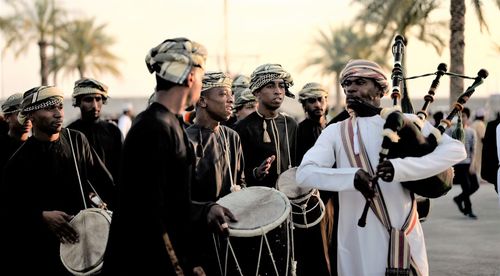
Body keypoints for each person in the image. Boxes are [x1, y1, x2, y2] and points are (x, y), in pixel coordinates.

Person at [296, 59, 466, 276]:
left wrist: (401, 168)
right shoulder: (335, 132)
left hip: (403, 231)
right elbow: (305, 173)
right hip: (355, 239)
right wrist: (352, 177)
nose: (351, 88)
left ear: (379, 89)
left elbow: (456, 151)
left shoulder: (406, 121)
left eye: (360, 82)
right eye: (346, 83)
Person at [102, 37, 235, 276]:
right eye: (202, 79)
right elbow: (150, 212)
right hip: (144, 261)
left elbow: (172, 200)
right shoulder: (154, 128)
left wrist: (206, 210)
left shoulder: (168, 123)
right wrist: (181, 264)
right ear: (190, 78)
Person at [0, 85, 115, 275]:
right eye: (49, 108)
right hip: (41, 252)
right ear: (31, 115)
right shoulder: (18, 161)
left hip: (84, 247)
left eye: (60, 107)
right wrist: (41, 216)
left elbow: (107, 185)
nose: (58, 114)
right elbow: (9, 210)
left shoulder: (76, 140)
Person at [186, 71, 246, 275]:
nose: (231, 99)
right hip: (197, 239)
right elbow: (176, 200)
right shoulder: (185, 141)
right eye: (223, 94)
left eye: (231, 94)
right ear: (202, 100)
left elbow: (240, 181)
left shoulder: (232, 137)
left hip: (231, 235)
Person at [233, 63, 297, 188]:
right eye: (270, 86)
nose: (278, 91)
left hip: (290, 198)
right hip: (258, 199)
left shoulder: (290, 124)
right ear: (257, 92)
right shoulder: (243, 128)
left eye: (281, 86)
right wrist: (256, 173)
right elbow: (236, 172)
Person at [67, 78, 123, 182]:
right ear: (78, 102)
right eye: (88, 100)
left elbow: (123, 166)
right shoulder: (70, 133)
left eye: (98, 99)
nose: (95, 106)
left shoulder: (113, 131)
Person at [448, 107, 480, 219]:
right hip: (458, 164)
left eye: (464, 116)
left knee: (475, 186)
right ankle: (469, 209)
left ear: (468, 118)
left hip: (468, 163)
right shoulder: (452, 130)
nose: (462, 118)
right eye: (460, 116)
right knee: (466, 187)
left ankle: (458, 199)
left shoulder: (471, 131)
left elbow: (474, 149)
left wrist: (473, 164)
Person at [0, 93, 32, 185]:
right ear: (7, 117)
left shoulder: (38, 146)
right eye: (21, 114)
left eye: (30, 114)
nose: (27, 119)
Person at [297, 82, 328, 163]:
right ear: (304, 106)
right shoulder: (299, 131)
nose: (317, 105)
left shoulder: (334, 128)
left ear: (326, 101)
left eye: (320, 99)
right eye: (312, 101)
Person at [481, 111, 500, 191]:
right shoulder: (492, 125)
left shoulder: (491, 125)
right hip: (495, 166)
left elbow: (486, 149)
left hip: (494, 166)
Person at [470, 108, 486, 181]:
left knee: (474, 161)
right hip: (479, 147)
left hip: (472, 146)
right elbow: (482, 137)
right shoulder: (481, 124)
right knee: (479, 162)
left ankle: (475, 177)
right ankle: (478, 178)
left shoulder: (473, 123)